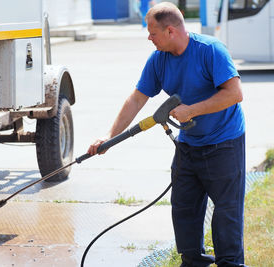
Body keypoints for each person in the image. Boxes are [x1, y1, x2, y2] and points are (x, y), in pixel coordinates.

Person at [88, 2, 246, 267]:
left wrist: (192, 110)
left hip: (224, 142)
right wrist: (109, 137)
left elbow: (235, 94)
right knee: (184, 207)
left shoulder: (210, 50)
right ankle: (193, 261)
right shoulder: (159, 59)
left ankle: (230, 263)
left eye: (152, 33)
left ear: (170, 31)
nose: (148, 38)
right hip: (188, 145)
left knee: (226, 211)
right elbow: (137, 99)